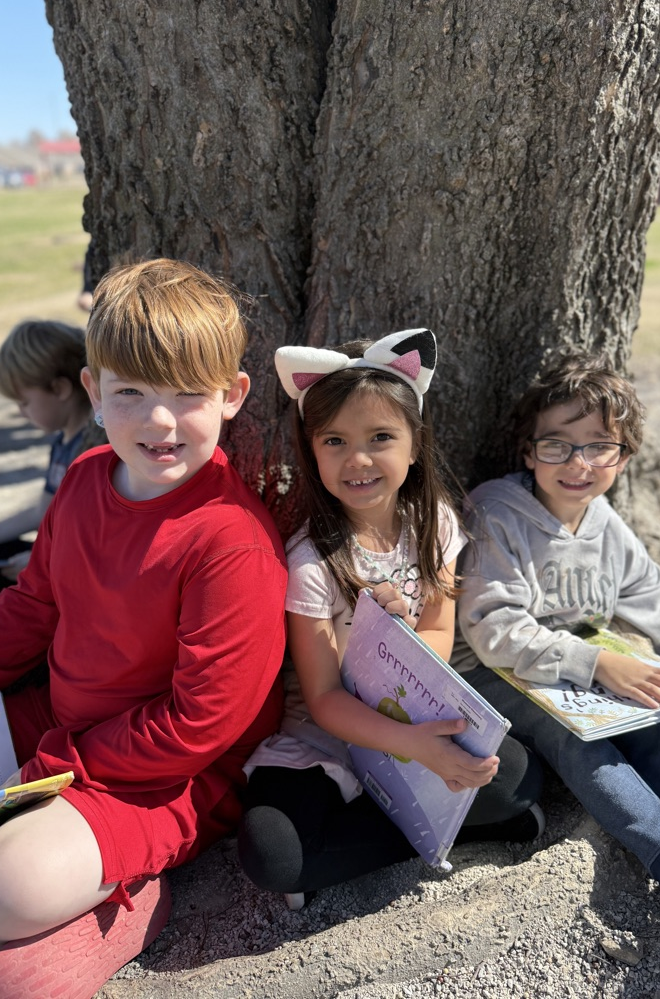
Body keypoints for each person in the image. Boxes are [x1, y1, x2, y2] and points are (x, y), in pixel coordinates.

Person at [0, 259, 288, 996]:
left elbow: (202, 725)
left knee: (7, 887)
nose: (160, 420)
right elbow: (34, 608)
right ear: (94, 394)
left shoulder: (230, 540)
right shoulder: (89, 478)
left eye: (189, 394)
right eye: (132, 392)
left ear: (232, 397)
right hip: (66, 728)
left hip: (166, 779)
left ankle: (133, 901)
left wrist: (64, 765)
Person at [451, 351, 660, 972]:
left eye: (598, 447)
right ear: (529, 452)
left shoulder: (605, 523)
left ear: (623, 457)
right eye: (557, 445)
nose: (578, 464)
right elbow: (493, 629)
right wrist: (600, 665)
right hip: (498, 675)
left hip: (583, 669)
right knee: (585, 745)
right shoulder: (497, 512)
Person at [237, 329, 544, 907]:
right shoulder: (312, 562)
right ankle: (449, 829)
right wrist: (413, 745)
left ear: (414, 444)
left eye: (381, 437)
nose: (358, 459)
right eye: (334, 440)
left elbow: (438, 634)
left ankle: (400, 831)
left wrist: (405, 646)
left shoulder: (436, 525)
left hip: (411, 714)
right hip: (327, 737)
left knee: (517, 779)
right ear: (312, 450)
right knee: (272, 853)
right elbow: (324, 697)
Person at [0, 320, 105, 590]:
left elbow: (95, 531)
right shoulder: (62, 442)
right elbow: (44, 509)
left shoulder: (93, 450)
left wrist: (40, 559)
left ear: (60, 389)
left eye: (25, 402)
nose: (21, 413)